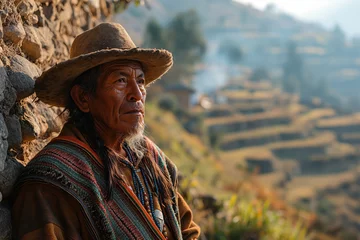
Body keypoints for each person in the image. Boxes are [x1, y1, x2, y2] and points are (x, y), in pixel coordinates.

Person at [11, 22, 200, 240]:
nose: (137, 94)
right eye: (120, 80)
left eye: (140, 81)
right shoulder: (48, 185)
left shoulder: (150, 159)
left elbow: (187, 229)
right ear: (83, 98)